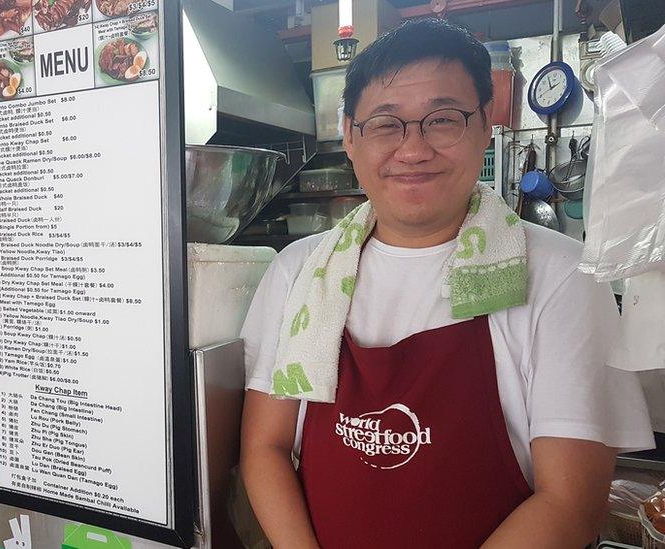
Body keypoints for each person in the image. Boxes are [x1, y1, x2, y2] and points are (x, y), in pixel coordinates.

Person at [239, 18, 653, 548]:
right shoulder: (300, 273)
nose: (413, 150)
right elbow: (265, 449)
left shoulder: (561, 276)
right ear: (349, 136)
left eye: (443, 120)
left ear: (485, 125)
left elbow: (568, 506)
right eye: (386, 124)